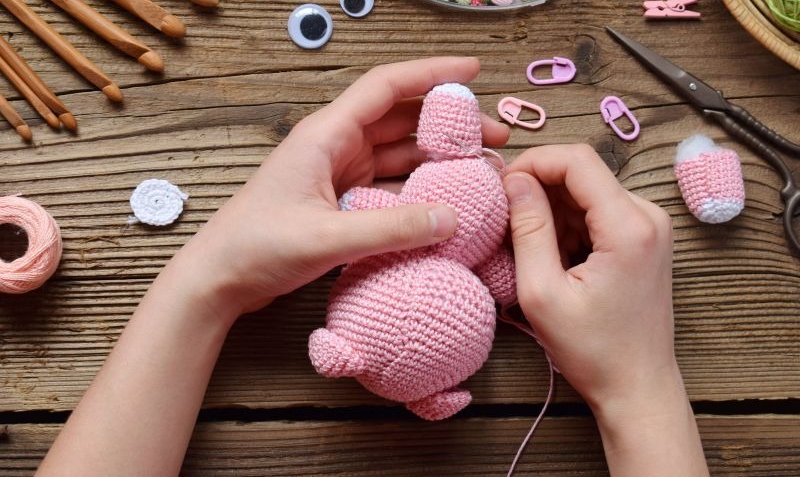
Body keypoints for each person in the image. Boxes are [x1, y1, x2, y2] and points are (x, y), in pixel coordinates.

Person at [37, 57, 710, 476]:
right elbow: (497, 275)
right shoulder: (464, 248)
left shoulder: (426, 241)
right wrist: (641, 391)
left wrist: (208, 280)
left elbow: (376, 213)